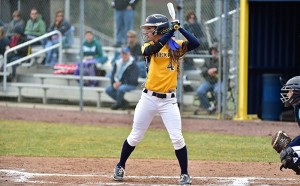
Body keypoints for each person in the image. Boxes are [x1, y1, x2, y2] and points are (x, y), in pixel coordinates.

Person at [112, 14, 200, 185]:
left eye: (150, 29)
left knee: (177, 138)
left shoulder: (175, 45)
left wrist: (179, 28)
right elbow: (153, 50)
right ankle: (120, 165)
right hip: (148, 98)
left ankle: (184, 174)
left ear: (160, 29)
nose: (147, 31)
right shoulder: (149, 45)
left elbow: (196, 43)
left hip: (169, 100)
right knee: (136, 135)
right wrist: (170, 31)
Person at [272, 76, 300, 175]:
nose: (288, 94)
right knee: (285, 148)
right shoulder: (298, 107)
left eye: (290, 91)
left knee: (288, 154)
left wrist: (291, 148)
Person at [194, 46, 222, 115]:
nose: (213, 52)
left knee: (217, 91)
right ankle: (209, 108)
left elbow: (226, 69)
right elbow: (203, 69)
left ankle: (218, 107)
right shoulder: (208, 59)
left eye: (215, 51)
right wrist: (208, 71)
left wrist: (216, 70)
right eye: (212, 51)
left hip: (219, 81)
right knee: (200, 91)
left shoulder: (222, 59)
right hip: (209, 81)